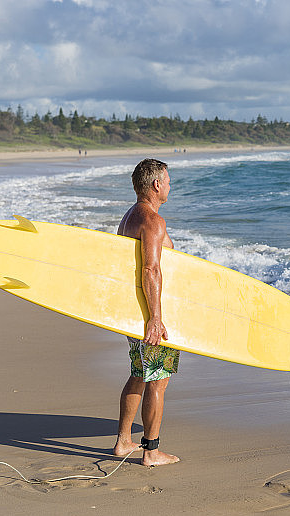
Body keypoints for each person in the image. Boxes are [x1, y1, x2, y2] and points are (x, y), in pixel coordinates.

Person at [112, 158, 180, 466]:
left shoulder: (130, 216)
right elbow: (151, 269)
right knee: (158, 379)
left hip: (134, 312)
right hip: (148, 315)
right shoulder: (152, 221)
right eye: (167, 180)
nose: (170, 185)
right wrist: (156, 317)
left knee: (139, 374)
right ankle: (151, 451)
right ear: (155, 185)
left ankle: (124, 442)